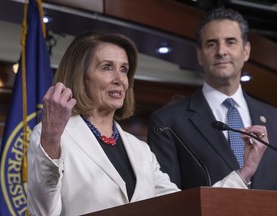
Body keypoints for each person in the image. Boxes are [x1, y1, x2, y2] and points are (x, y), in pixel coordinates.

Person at [27, 31, 265, 216]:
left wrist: (244, 173)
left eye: (124, 70)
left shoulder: (139, 149)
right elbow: (43, 211)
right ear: (81, 76)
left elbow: (184, 207)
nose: (119, 79)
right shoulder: (53, 137)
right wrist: (51, 137)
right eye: (107, 67)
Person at [147, 7, 277, 190]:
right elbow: (168, 202)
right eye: (211, 44)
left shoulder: (274, 119)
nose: (221, 51)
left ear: (246, 51)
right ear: (200, 55)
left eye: (230, 42)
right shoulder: (167, 122)